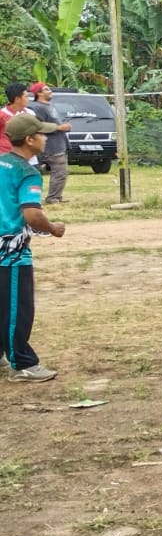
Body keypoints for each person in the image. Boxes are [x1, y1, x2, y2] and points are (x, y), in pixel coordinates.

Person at [0, 115, 65, 382]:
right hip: (12, 254)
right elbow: (32, 215)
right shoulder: (27, 172)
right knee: (18, 308)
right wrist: (53, 228)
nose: (45, 138)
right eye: (41, 134)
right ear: (29, 139)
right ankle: (22, 363)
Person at [26, 83, 71, 204]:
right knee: (39, 173)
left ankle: (56, 196)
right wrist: (59, 127)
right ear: (39, 93)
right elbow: (36, 126)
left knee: (61, 173)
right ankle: (50, 198)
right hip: (47, 145)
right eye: (46, 89)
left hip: (58, 143)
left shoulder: (50, 106)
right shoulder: (35, 107)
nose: (50, 91)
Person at [0, 83, 31, 155]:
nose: (28, 99)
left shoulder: (30, 113)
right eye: (26, 97)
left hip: (27, 156)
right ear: (17, 99)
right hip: (6, 156)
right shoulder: (2, 115)